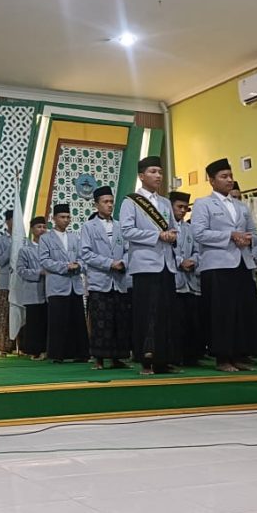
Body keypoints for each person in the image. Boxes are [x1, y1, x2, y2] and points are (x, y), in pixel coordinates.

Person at [192, 158, 257, 373]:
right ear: (212, 180)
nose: (229, 180)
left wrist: (248, 239)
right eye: (224, 176)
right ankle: (222, 357)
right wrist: (230, 235)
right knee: (221, 312)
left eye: (231, 176)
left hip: (242, 262)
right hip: (217, 265)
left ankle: (240, 354)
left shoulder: (240, 206)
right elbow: (199, 233)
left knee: (243, 310)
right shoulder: (203, 204)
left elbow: (254, 232)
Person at [120, 157, 182, 375]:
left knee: (166, 313)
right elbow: (127, 230)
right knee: (147, 313)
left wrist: (173, 235)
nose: (158, 176)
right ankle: (146, 360)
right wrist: (157, 235)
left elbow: (174, 228)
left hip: (167, 264)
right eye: (153, 171)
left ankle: (164, 359)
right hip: (145, 265)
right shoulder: (130, 202)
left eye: (160, 172)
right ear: (141, 176)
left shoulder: (165, 202)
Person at [80, 187, 131, 369]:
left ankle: (118, 358)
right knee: (101, 322)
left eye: (111, 202)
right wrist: (110, 263)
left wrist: (123, 262)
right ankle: (99, 359)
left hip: (119, 282)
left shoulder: (120, 226)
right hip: (100, 282)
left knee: (119, 320)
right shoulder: (88, 227)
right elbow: (86, 253)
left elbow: (128, 249)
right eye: (105, 202)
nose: (109, 205)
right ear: (96, 204)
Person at [39, 203, 89, 363]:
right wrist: (65, 266)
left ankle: (81, 354)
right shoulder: (46, 238)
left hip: (75, 285)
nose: (66, 220)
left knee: (77, 321)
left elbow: (83, 258)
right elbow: (44, 261)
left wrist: (79, 265)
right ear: (54, 218)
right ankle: (57, 355)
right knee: (58, 322)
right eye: (62, 217)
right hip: (57, 286)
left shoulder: (74, 237)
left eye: (68, 217)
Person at [171, 190, 206, 366]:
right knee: (175, 321)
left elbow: (199, 251)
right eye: (179, 207)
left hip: (191, 282)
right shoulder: (164, 228)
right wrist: (180, 262)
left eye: (186, 208)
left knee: (192, 320)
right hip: (174, 281)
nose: (183, 211)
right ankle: (175, 357)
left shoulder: (190, 229)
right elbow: (165, 252)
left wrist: (193, 261)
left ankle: (191, 357)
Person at [15, 216, 49, 360]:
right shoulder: (25, 250)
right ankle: (35, 350)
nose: (42, 230)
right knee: (35, 322)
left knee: (48, 322)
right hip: (33, 291)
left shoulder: (51, 249)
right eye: (38, 227)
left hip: (50, 291)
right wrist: (39, 272)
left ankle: (48, 350)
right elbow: (21, 270)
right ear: (32, 230)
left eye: (44, 227)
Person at [0, 210, 15, 356]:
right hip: (6, 282)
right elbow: (0, 261)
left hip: (21, 283)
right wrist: (12, 246)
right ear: (7, 222)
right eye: (13, 220)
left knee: (20, 314)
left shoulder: (25, 239)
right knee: (4, 314)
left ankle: (21, 346)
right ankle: (2, 347)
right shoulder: (0, 240)